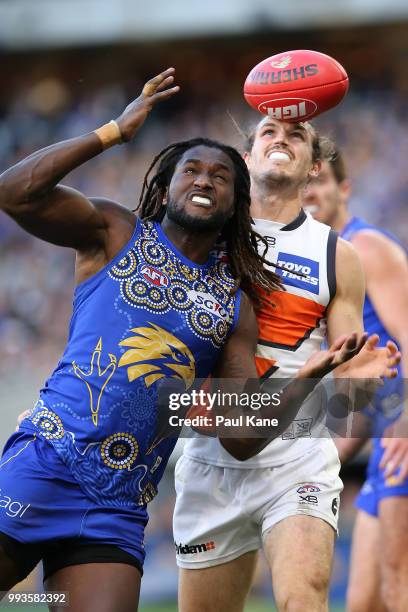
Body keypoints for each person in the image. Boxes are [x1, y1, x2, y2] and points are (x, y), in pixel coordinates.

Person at [0, 68, 378, 611]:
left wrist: (320, 378)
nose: (204, 180)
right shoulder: (115, 231)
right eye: (191, 170)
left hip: (123, 505)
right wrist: (113, 133)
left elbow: (241, 429)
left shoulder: (236, 299)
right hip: (50, 462)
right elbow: (14, 193)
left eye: (219, 176)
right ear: (165, 182)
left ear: (235, 197)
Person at [173, 116, 399, 612]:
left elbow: (348, 387)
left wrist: (362, 379)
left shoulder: (338, 255)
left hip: (298, 458)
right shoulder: (201, 234)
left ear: (314, 167)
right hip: (210, 456)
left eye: (296, 135)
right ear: (248, 158)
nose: (282, 138)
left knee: (304, 599)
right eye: (269, 132)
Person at [304, 148, 408, 612]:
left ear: (343, 189)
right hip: (388, 429)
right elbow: (372, 387)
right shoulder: (330, 264)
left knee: (398, 586)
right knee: (364, 601)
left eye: (320, 180)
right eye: (301, 181)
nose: (308, 190)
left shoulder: (364, 246)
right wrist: (325, 457)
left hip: (401, 435)